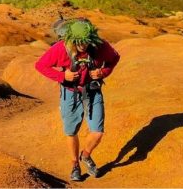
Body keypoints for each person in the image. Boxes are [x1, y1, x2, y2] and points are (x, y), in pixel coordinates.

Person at [34, 18, 121, 182]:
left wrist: (104, 72)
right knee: (71, 131)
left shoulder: (99, 46)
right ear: (71, 39)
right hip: (70, 92)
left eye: (86, 42)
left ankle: (85, 155)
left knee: (97, 132)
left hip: (93, 91)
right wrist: (62, 76)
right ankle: (75, 164)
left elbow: (115, 58)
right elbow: (40, 65)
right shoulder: (60, 49)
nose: (83, 45)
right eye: (79, 42)